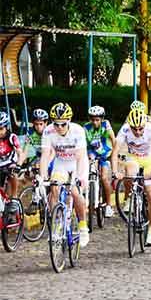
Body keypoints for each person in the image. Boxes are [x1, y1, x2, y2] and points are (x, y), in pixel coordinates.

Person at [40, 103, 90, 247]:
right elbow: (45, 156)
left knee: (74, 192)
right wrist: (43, 177)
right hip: (61, 162)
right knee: (54, 188)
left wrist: (79, 177)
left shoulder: (78, 131)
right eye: (56, 124)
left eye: (63, 124)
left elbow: (80, 157)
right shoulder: (48, 132)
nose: (59, 127)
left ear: (69, 121)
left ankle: (83, 227)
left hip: (76, 163)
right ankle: (56, 226)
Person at [112, 108, 151, 246]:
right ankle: (132, 196)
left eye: (141, 129)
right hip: (133, 158)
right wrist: (115, 171)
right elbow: (115, 151)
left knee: (150, 193)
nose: (138, 132)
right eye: (135, 129)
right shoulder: (125, 129)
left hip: (149, 159)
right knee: (130, 174)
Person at [83, 106, 116, 217]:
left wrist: (115, 154)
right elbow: (82, 144)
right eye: (92, 119)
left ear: (101, 119)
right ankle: (88, 198)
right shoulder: (86, 128)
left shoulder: (106, 125)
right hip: (91, 154)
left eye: (97, 120)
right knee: (86, 175)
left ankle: (108, 205)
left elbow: (114, 140)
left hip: (104, 154)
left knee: (104, 178)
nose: (95, 122)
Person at [0, 112, 24, 198]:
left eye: (1, 129)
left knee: (13, 173)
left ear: (6, 127)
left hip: (10, 163)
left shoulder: (12, 137)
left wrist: (18, 165)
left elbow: (20, 153)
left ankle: (14, 197)